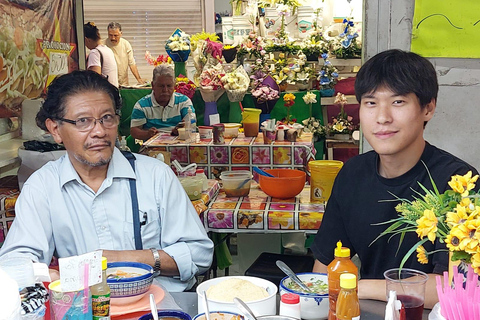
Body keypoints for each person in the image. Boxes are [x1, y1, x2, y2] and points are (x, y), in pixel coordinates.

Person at [0, 70, 213, 292]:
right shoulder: (43, 186)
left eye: (107, 118)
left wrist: (121, 259)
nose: (100, 131)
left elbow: (199, 254)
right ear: (55, 130)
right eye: (83, 121)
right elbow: (14, 263)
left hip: (159, 307)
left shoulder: (156, 176)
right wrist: (49, 273)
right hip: (83, 310)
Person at [311, 49, 479, 308]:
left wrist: (357, 285)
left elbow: (460, 285)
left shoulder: (460, 184)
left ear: (428, 108)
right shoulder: (352, 175)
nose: (382, 117)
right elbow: (324, 268)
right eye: (370, 102)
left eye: (398, 102)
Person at [130, 64, 195, 140]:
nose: (165, 90)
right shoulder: (141, 105)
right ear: (153, 85)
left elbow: (191, 126)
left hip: (180, 148)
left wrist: (181, 130)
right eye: (161, 86)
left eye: (169, 86)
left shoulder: (184, 102)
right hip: (152, 150)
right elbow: (134, 131)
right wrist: (147, 134)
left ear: (174, 85)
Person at [105, 22, 146, 87]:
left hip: (123, 84)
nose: (113, 38)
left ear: (121, 33)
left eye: (115, 35)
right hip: (108, 84)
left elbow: (132, 64)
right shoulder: (104, 45)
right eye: (110, 35)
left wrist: (139, 79)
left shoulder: (126, 44)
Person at [84, 22, 119, 87]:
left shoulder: (95, 53)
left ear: (86, 40)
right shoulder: (108, 50)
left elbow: (94, 80)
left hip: (104, 92)